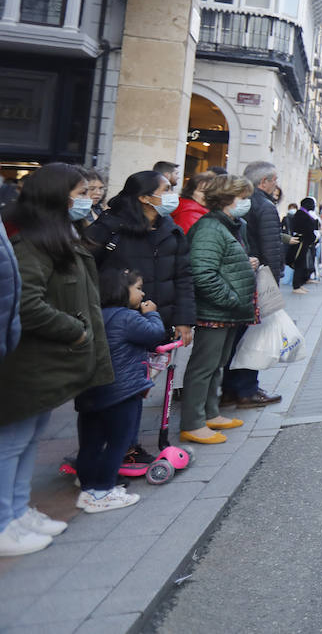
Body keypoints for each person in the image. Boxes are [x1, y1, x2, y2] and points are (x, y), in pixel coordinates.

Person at [0, 164, 113, 555]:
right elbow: (26, 303)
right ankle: (4, 522)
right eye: (82, 192)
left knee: (28, 440)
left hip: (45, 363)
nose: (89, 199)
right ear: (57, 195)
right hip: (28, 361)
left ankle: (17, 511)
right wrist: (75, 329)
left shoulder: (63, 235)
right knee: (11, 443)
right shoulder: (33, 242)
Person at [85, 169, 197, 467]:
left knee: (139, 388)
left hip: (157, 322)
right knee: (120, 390)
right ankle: (114, 449)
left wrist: (185, 320)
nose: (172, 194)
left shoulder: (170, 227)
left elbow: (183, 275)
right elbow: (83, 271)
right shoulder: (109, 226)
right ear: (145, 197)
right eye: (167, 188)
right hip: (118, 325)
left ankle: (123, 445)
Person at [74, 268, 167, 513]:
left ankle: (89, 491)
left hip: (89, 391)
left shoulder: (92, 315)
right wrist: (152, 314)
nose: (142, 292)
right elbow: (156, 335)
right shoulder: (127, 318)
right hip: (122, 393)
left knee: (90, 444)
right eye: (138, 287)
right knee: (118, 442)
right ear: (121, 291)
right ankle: (104, 491)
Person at [182, 174, 257, 443]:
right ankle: (193, 422)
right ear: (226, 199)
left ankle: (210, 413)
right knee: (204, 367)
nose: (247, 203)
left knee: (217, 365)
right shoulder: (210, 228)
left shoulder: (229, 225)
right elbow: (203, 273)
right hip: (215, 310)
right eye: (243, 198)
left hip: (227, 310)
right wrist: (232, 299)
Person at [230, 162, 285, 409]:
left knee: (237, 337)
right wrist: (274, 282)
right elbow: (272, 246)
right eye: (274, 180)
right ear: (265, 181)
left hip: (239, 277)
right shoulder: (264, 205)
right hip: (257, 278)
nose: (276, 185)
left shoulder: (238, 203)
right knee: (253, 338)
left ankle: (232, 387)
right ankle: (246, 389)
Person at [285, 197, 319, 294]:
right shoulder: (301, 214)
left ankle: (300, 283)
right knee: (299, 263)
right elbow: (306, 228)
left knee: (303, 263)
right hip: (301, 241)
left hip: (305, 241)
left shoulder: (305, 214)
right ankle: (296, 286)